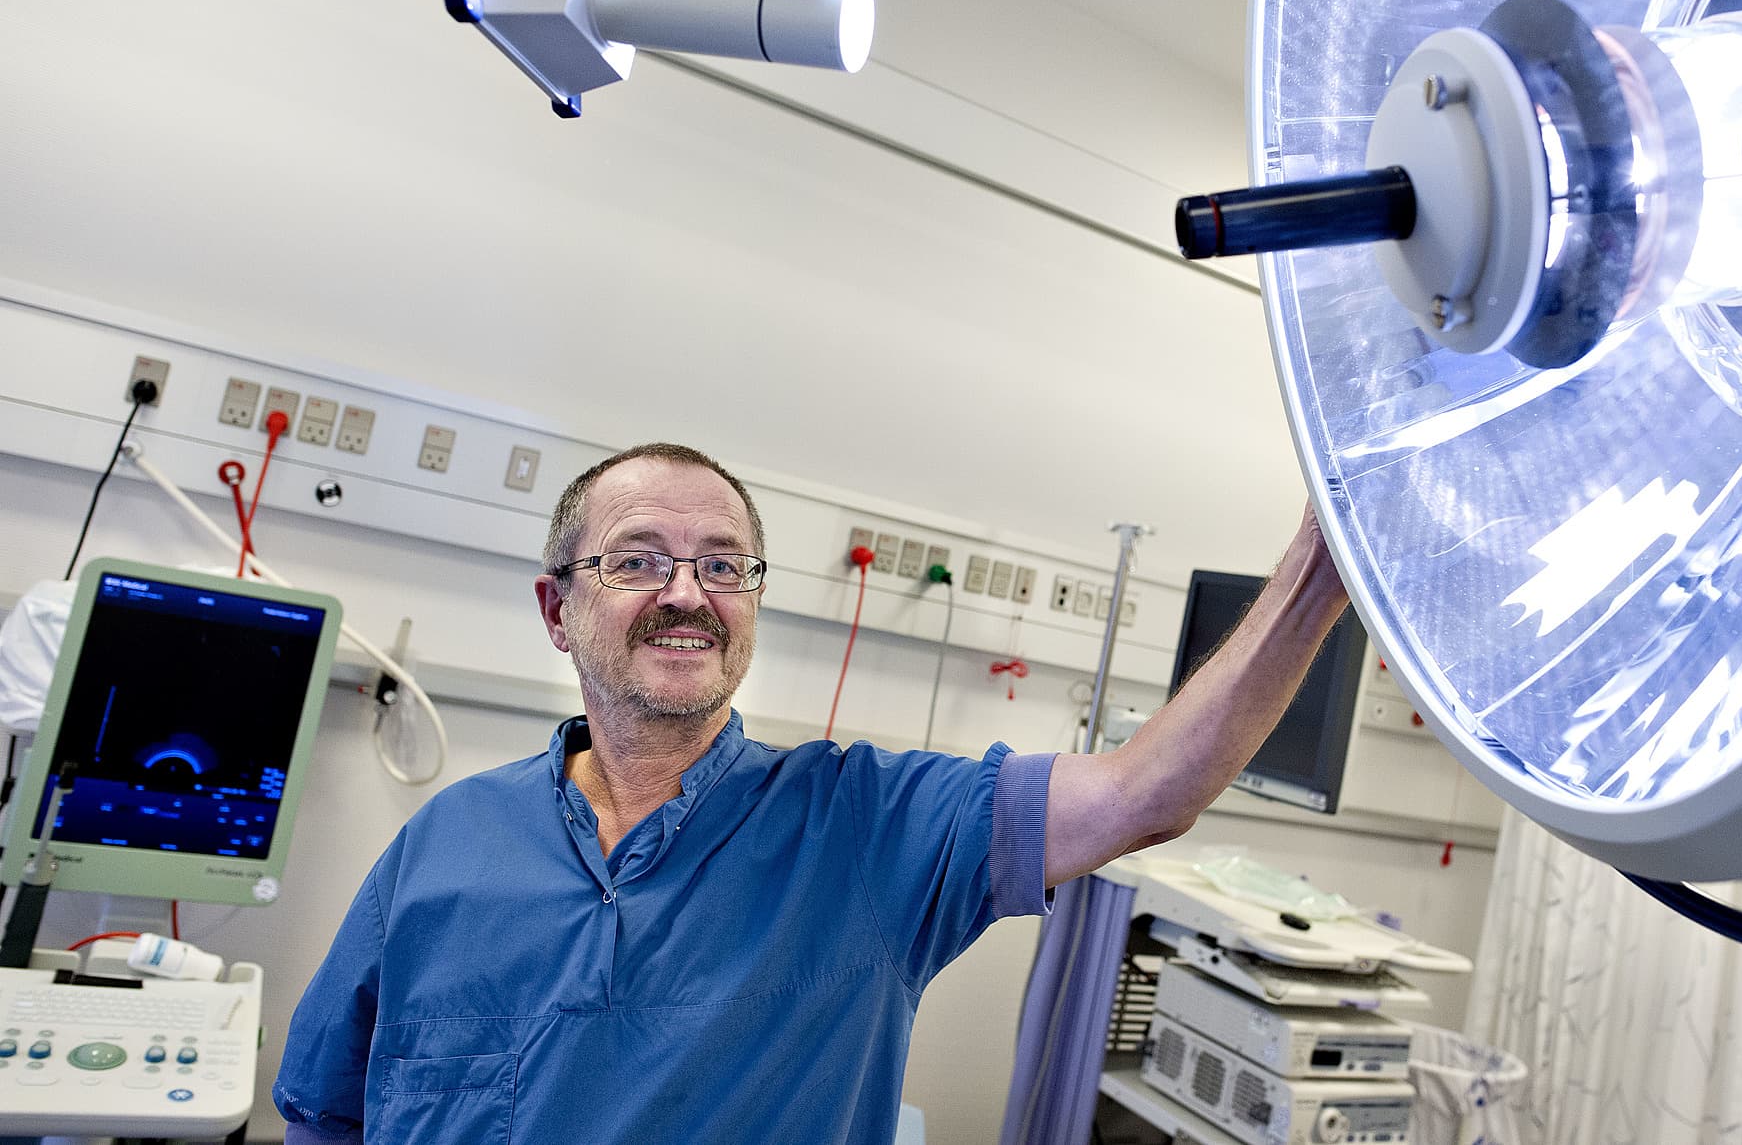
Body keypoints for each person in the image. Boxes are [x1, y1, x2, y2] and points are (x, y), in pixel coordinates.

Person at [274, 442, 1352, 1144]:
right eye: (639, 561)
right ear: (558, 609)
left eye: (724, 564)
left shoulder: (871, 830)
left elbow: (1142, 793)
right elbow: (326, 1114)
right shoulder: (445, 843)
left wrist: (1322, 564)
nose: (688, 592)